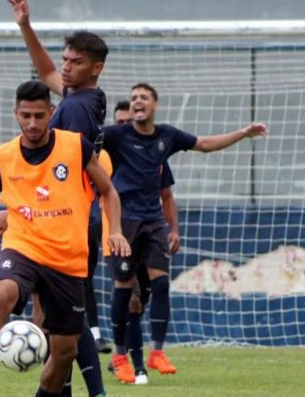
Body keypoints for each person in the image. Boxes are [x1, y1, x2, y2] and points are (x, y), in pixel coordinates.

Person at [0, 80, 129, 397]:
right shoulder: (2, 156)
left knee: (65, 349)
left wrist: (115, 230)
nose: (33, 124)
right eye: (26, 116)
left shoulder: (75, 146)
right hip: (22, 245)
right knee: (3, 293)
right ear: (15, 114)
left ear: (52, 114)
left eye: (39, 115)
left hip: (67, 258)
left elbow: (108, 190)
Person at [103, 83, 268, 378]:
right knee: (124, 288)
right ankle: (120, 356)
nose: (137, 102)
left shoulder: (167, 135)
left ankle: (157, 352)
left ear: (155, 105)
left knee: (162, 284)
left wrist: (243, 133)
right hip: (124, 221)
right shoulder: (116, 135)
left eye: (143, 97)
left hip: (153, 221)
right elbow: (80, 142)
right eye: (134, 98)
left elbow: (205, 143)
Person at [3, 0, 114, 397]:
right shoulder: (83, 96)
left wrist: (19, 212)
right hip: (71, 219)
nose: (65, 67)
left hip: (62, 221)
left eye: (76, 62)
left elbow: (62, 171)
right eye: (66, 59)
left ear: (96, 67)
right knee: (66, 314)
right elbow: (48, 72)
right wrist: (26, 27)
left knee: (56, 318)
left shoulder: (76, 112)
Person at [106, 101, 180, 386]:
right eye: (121, 122)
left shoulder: (153, 158)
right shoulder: (105, 154)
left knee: (147, 296)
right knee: (131, 298)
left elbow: (167, 194)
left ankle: (141, 361)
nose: (127, 126)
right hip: (119, 231)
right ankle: (126, 360)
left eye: (129, 121)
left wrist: (173, 229)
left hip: (149, 230)